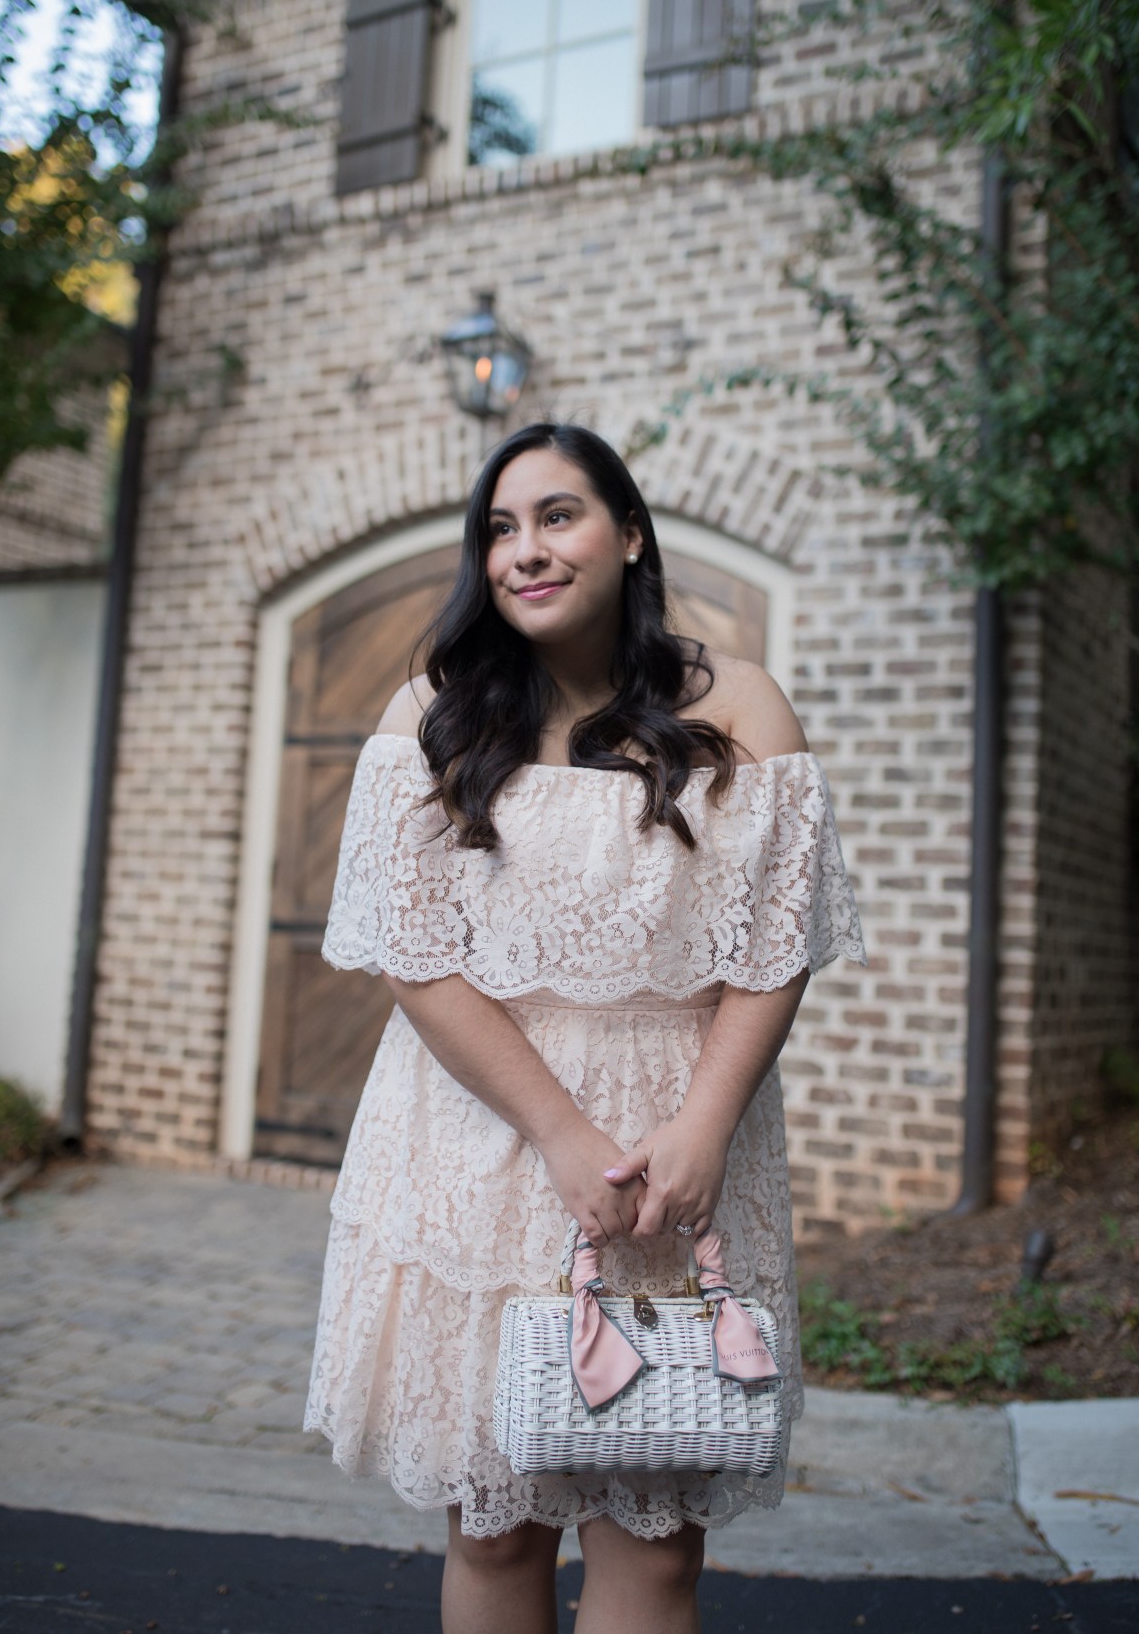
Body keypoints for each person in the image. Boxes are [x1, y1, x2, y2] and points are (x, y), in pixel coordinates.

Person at [304, 421, 865, 1634]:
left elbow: (775, 946)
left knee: (656, 1552)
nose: (524, 552)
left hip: (686, 1138)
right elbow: (420, 960)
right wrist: (559, 1134)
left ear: (630, 535)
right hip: (483, 1134)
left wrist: (707, 1124)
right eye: (499, 530)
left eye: (557, 517)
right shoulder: (430, 718)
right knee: (498, 1526)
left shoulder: (744, 705)